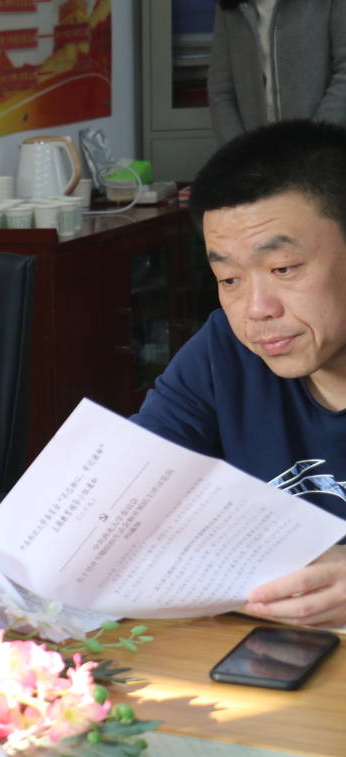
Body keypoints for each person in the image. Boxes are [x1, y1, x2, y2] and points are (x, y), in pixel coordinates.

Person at [132, 119, 346, 627]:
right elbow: (124, 499)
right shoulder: (223, 352)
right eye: (229, 278)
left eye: (284, 268)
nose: (256, 309)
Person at [207, 0, 346, 143]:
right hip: (255, 152)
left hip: (322, 148)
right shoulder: (231, 7)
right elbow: (221, 90)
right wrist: (240, 150)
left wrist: (314, 141)